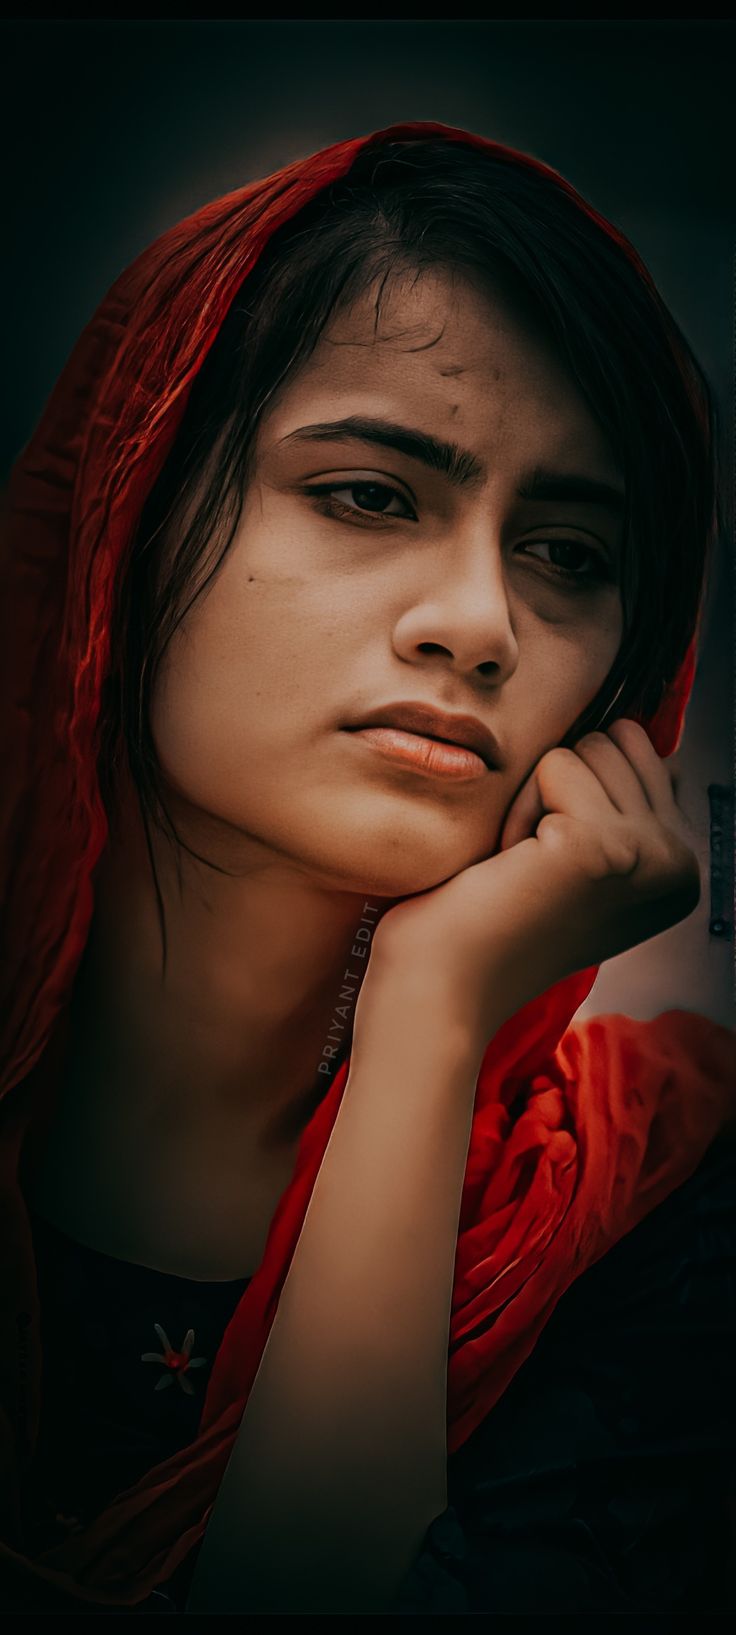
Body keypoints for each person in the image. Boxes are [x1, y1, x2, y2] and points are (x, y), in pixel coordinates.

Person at [0, 118, 734, 1615]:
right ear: (125, 514)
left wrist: (433, 1009)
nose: (480, 623)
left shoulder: (663, 1217)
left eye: (569, 555)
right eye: (367, 494)